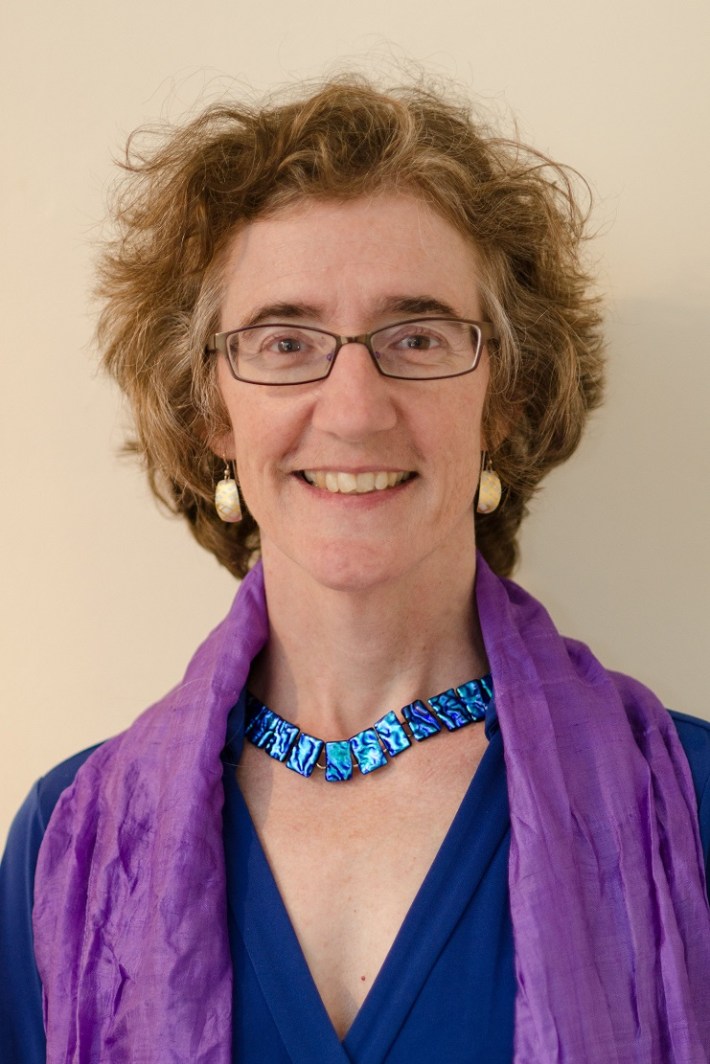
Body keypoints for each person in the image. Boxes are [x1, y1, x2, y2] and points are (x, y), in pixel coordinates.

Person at [1, 76, 709, 1064]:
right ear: (208, 409)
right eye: (285, 341)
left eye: (414, 337)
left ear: (502, 393)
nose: (352, 407)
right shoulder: (64, 846)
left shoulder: (691, 805)